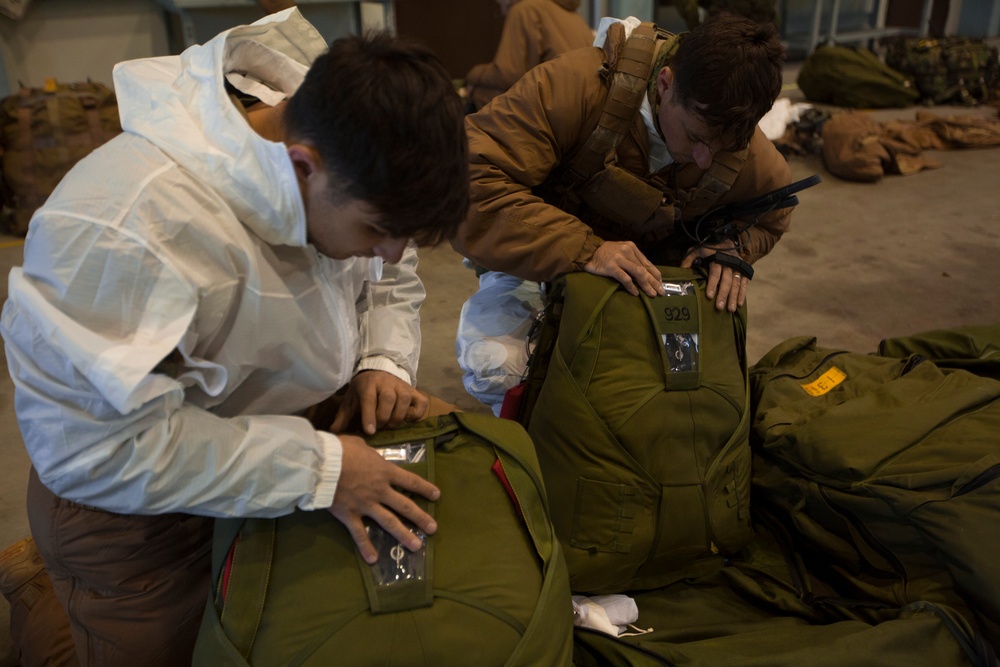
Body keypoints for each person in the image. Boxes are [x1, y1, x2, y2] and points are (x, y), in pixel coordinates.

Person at [0, 8, 468, 666]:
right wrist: (321, 470)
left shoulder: (339, 145)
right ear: (303, 166)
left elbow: (387, 268)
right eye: (376, 232)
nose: (391, 255)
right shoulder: (128, 226)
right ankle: (37, 594)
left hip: (259, 437)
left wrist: (381, 358)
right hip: (131, 509)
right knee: (164, 648)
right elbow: (96, 450)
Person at [452, 12, 792, 412]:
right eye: (697, 138)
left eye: (723, 147)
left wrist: (732, 248)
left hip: (642, 282)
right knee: (503, 369)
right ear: (665, 84)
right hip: (539, 261)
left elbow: (775, 211)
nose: (704, 160)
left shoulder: (742, 146)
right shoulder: (572, 88)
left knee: (682, 395)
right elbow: (466, 183)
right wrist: (586, 249)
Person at [465, 0, 595, 111]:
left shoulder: (525, 10)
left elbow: (508, 75)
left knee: (480, 93)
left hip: (554, 110)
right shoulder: (573, 14)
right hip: (581, 107)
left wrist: (473, 75)